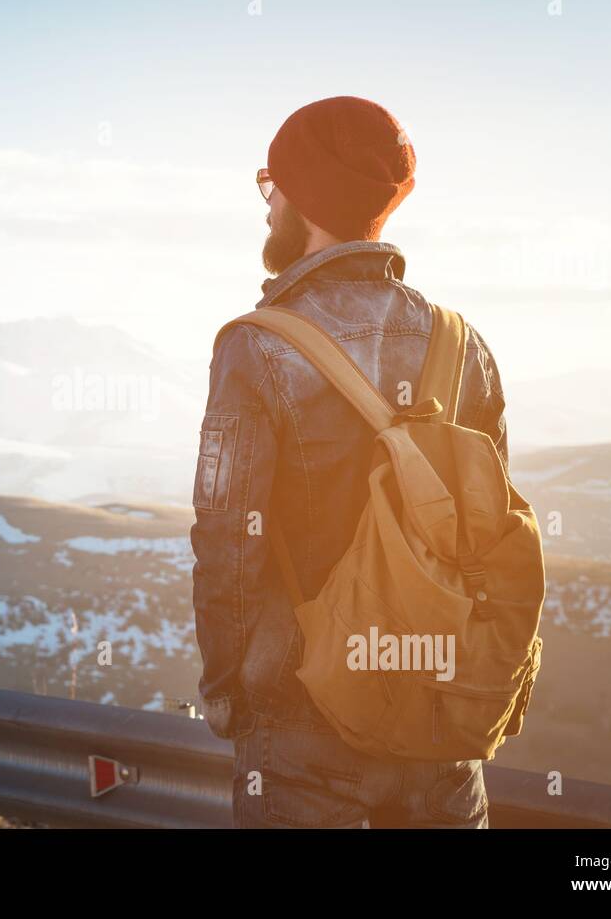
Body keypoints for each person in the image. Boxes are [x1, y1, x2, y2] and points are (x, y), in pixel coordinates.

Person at [190, 96, 508, 828]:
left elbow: (228, 539)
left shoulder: (256, 347)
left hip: (305, 726)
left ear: (304, 199)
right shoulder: (464, 347)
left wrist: (233, 693)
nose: (267, 207)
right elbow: (490, 537)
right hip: (438, 723)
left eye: (274, 187)